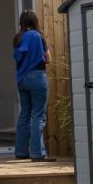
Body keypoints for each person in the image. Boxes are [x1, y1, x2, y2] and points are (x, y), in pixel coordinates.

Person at [13, 10, 56, 162]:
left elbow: (18, 58)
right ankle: (37, 153)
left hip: (22, 79)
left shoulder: (17, 38)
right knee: (38, 115)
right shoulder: (38, 36)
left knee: (25, 115)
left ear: (22, 22)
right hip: (37, 77)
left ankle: (21, 152)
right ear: (35, 21)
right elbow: (48, 59)